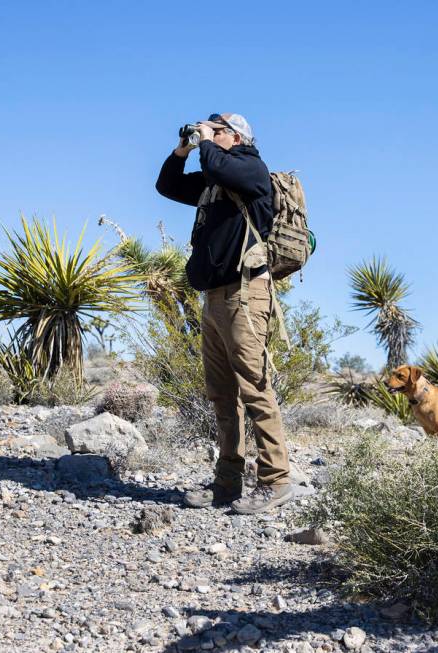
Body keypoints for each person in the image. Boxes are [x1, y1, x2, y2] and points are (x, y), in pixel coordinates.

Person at [155, 113, 293, 515]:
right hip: (215, 296)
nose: (206, 139)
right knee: (221, 393)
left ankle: (276, 479)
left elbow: (216, 162)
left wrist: (206, 142)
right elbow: (166, 185)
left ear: (236, 137)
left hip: (245, 293)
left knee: (254, 385)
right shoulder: (214, 179)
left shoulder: (251, 169)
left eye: (217, 132)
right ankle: (227, 483)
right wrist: (183, 148)